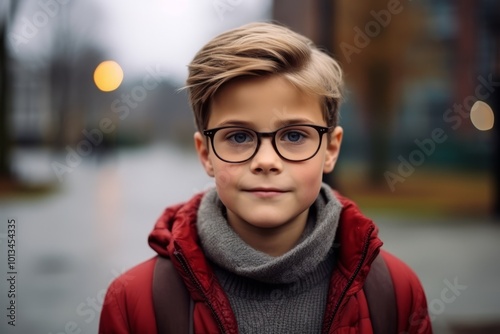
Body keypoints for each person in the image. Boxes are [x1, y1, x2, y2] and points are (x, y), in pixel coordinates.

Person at [98, 22, 432, 333]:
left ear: (330, 149)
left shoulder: (396, 293)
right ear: (205, 154)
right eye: (239, 137)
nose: (266, 161)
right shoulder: (135, 303)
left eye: (294, 136)